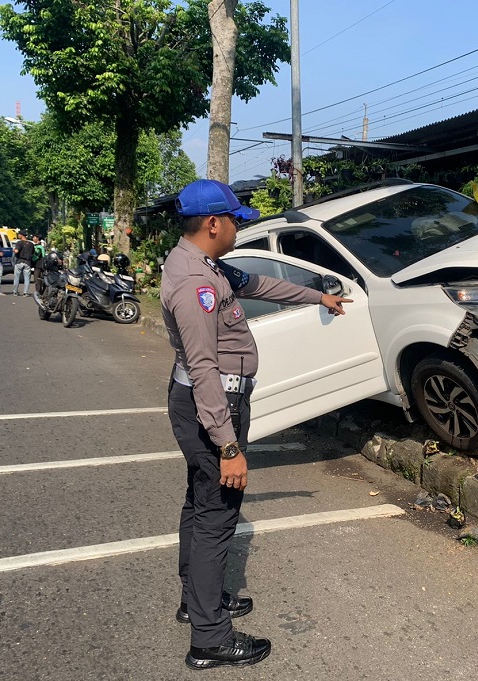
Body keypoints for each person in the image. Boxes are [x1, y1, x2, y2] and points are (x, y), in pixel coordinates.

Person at [161, 179, 351, 671]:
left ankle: (197, 602)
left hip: (205, 401)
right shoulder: (196, 284)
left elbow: (260, 285)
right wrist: (227, 445)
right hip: (212, 404)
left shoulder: (203, 265)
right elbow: (202, 366)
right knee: (218, 514)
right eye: (236, 222)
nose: (238, 230)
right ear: (214, 224)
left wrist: (317, 297)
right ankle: (210, 637)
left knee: (201, 503)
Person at [12, 231, 34, 296]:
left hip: (19, 261)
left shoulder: (19, 243)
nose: (18, 236)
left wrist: (14, 250)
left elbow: (16, 251)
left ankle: (15, 292)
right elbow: (33, 253)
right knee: (27, 278)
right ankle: (25, 292)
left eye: (19, 235)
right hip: (27, 262)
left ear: (21, 235)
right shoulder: (31, 244)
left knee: (17, 277)